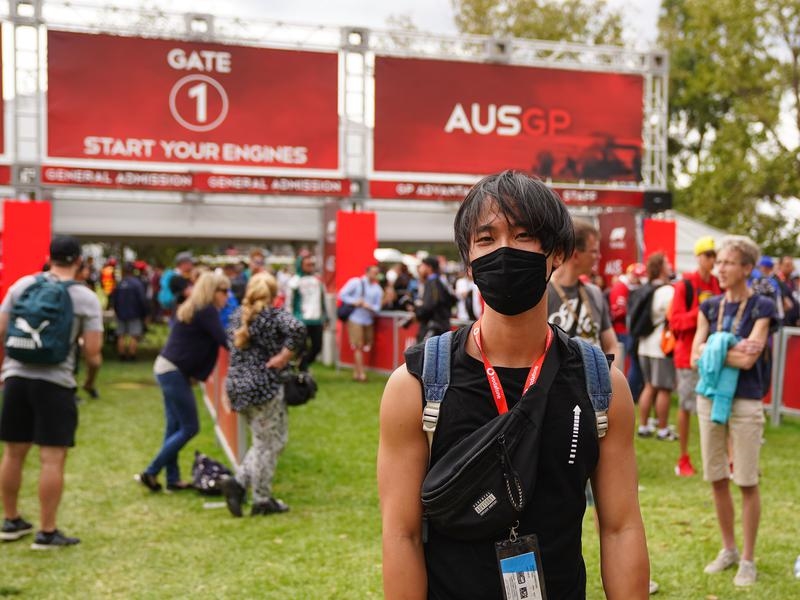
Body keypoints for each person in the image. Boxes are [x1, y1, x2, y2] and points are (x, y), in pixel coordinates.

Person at [378, 171, 649, 599]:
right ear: (468, 260)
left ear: (556, 253)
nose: (504, 251)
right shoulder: (417, 386)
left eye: (523, 235)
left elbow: (621, 527)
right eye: (486, 239)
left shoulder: (601, 385)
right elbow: (401, 535)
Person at [0, 235, 103, 548]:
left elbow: (1, 330)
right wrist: (90, 380)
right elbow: (93, 353)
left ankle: (10, 520)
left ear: (50, 257)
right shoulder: (85, 298)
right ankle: (47, 531)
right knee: (51, 459)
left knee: (13, 453)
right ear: (79, 261)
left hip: (16, 378)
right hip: (56, 383)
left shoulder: (22, 285)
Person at [691, 235, 776, 588]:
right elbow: (694, 355)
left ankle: (748, 559)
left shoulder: (762, 306)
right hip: (709, 398)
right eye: (719, 262)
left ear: (746, 268)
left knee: (746, 480)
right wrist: (727, 350)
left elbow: (749, 360)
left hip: (746, 400)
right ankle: (728, 549)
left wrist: (711, 350)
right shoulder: (710, 307)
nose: (720, 268)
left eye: (728, 262)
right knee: (716, 477)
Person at [220, 273, 307, 517]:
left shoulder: (237, 316)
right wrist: (284, 357)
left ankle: (239, 484)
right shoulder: (272, 315)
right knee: (268, 444)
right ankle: (261, 498)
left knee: (265, 441)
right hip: (263, 386)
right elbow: (298, 329)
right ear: (273, 293)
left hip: (238, 385)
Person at [137, 271, 229, 492]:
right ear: (213, 292)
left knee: (174, 427)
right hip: (174, 371)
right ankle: (151, 471)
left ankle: (173, 479)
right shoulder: (207, 310)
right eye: (224, 291)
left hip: (167, 368)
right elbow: (225, 340)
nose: (228, 296)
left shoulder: (195, 307)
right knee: (190, 427)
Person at [669, 236, 721, 476]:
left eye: (714, 255)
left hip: (713, 355)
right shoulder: (686, 285)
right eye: (708, 255)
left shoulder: (718, 284)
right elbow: (676, 322)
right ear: (699, 257)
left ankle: (722, 457)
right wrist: (702, 311)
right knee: (687, 407)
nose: (712, 260)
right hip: (687, 356)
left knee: (717, 406)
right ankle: (683, 458)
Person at [547, 219, 621, 371]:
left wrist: (608, 376)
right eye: (593, 251)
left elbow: (612, 345)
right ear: (575, 255)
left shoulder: (594, 293)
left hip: (594, 382)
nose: (599, 257)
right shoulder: (543, 294)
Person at [635, 253, 677, 441]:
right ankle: (662, 429)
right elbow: (673, 315)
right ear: (660, 268)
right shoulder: (667, 291)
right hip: (661, 346)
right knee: (664, 388)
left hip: (644, 344)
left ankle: (644, 426)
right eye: (667, 263)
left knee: (649, 385)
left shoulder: (645, 288)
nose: (670, 266)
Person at [338, 265, 383, 382]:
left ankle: (356, 372)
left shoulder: (377, 289)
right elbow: (342, 294)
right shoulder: (356, 282)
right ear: (367, 272)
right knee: (358, 346)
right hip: (355, 318)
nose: (375, 275)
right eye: (373, 272)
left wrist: (369, 307)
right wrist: (355, 302)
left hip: (368, 319)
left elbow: (377, 307)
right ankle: (361, 373)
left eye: (376, 273)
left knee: (365, 345)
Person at [609, 262, 646, 399]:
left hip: (624, 329)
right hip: (621, 330)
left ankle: (626, 393)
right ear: (630, 274)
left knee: (626, 363)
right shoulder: (621, 286)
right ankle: (624, 393)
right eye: (636, 276)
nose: (637, 280)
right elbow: (618, 311)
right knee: (621, 363)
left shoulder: (626, 286)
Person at [286, 252, 328, 371]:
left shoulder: (317, 280)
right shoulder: (294, 281)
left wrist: (325, 317)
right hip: (300, 319)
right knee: (301, 347)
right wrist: (290, 319)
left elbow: (322, 300)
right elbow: (289, 302)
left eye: (312, 264)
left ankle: (301, 365)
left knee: (317, 347)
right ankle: (302, 370)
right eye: (307, 264)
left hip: (316, 319)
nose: (310, 266)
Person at [111, 261, 149, 362]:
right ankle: (132, 356)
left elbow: (114, 299)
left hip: (121, 314)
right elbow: (142, 299)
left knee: (121, 335)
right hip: (134, 313)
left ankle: (122, 356)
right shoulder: (137, 284)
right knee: (134, 335)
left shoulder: (119, 284)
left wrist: (116, 311)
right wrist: (145, 313)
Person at [414, 257, 454, 342]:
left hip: (434, 329)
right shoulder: (437, 281)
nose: (420, 269)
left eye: (422, 266)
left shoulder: (433, 283)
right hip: (436, 327)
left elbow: (430, 305)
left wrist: (417, 311)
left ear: (429, 267)